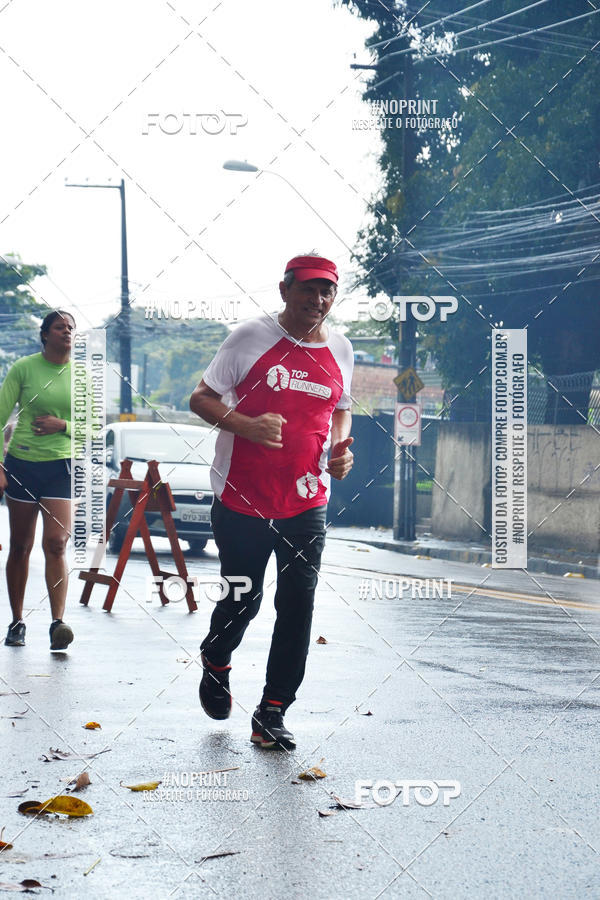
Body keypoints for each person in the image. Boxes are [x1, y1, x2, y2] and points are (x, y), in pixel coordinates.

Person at [190, 254, 354, 750]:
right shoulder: (249, 338)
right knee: (243, 598)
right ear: (284, 291)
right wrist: (247, 425)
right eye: (307, 289)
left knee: (298, 603)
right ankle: (216, 660)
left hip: (307, 500)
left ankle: (273, 710)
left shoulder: (341, 348)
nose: (317, 300)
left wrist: (339, 449)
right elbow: (201, 398)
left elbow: (340, 410)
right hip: (243, 497)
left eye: (326, 291)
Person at [0, 310, 75, 650]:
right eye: (60, 327)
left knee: (57, 543)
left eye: (71, 327)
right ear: (45, 334)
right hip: (23, 465)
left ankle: (58, 623)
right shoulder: (24, 368)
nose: (67, 331)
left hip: (61, 467)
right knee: (20, 545)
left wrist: (64, 426)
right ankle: (17, 621)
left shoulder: (82, 377)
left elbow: (93, 428)